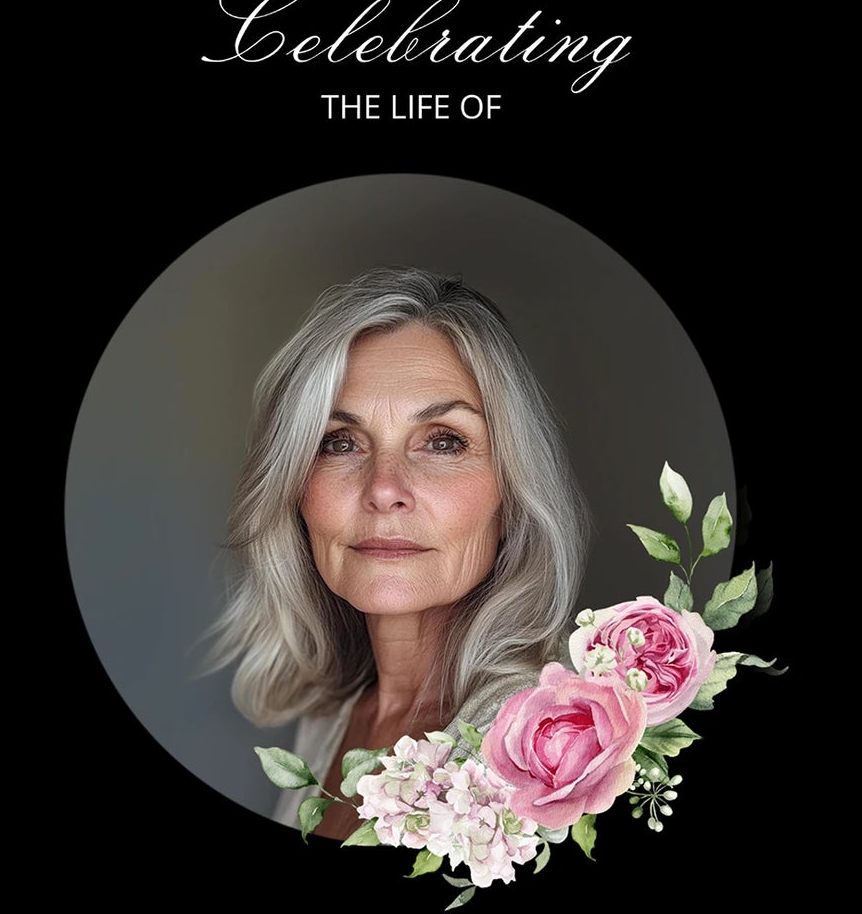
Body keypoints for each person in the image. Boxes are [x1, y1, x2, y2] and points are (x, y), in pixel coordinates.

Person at [210, 267, 590, 835]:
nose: (384, 488)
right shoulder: (330, 719)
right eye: (339, 442)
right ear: (294, 489)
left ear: (511, 493)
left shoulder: (556, 747)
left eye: (443, 441)